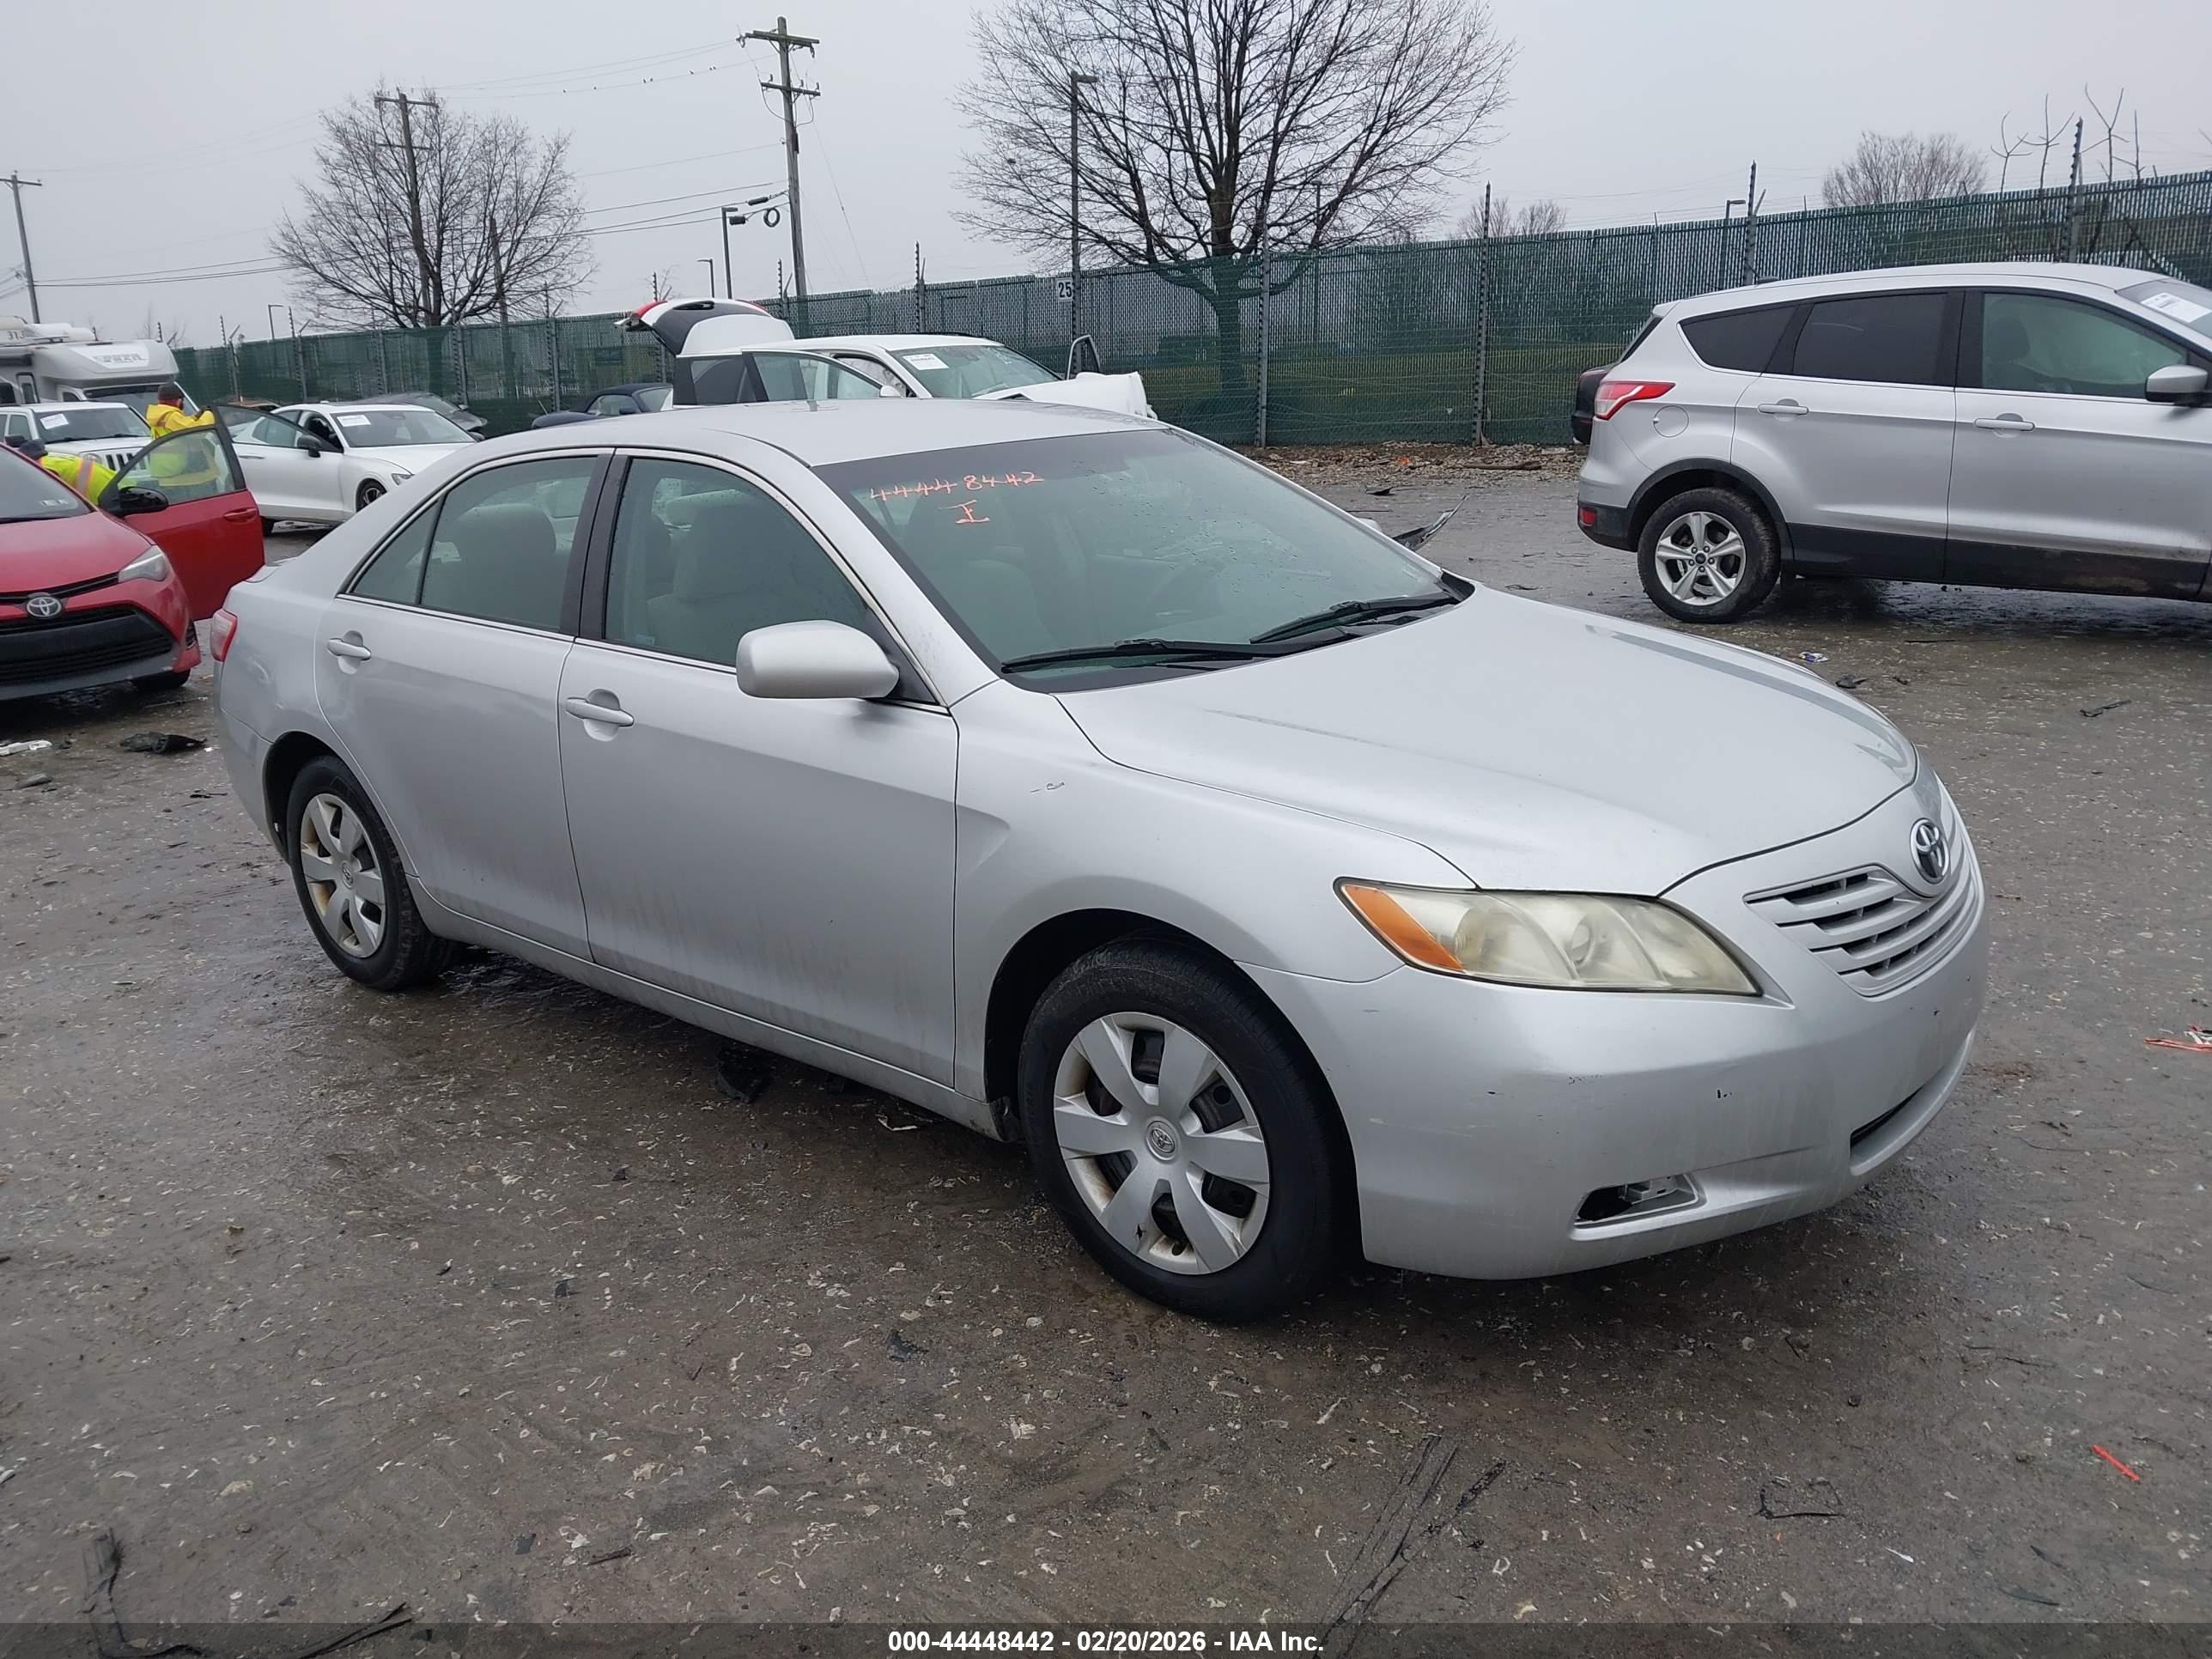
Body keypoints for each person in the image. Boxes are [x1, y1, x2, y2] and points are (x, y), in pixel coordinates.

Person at [5, 434, 114, 503]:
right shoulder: (50, 460)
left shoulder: (38, 469)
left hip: (99, 494)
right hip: (115, 484)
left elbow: (46, 499)